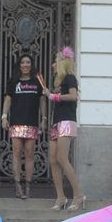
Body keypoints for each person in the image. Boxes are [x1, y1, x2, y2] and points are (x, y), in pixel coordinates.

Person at [37, 46, 85, 211]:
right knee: (53, 159)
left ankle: (78, 195)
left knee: (62, 158)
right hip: (57, 122)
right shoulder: (60, 82)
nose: (53, 65)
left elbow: (73, 96)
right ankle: (61, 197)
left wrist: (54, 96)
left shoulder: (70, 78)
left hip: (67, 121)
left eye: (55, 61)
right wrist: (49, 93)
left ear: (63, 62)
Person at [0, 53, 46, 199]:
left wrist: (44, 119)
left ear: (31, 65)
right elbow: (8, 99)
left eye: (28, 62)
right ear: (19, 65)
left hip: (32, 122)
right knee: (17, 153)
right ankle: (18, 186)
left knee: (29, 154)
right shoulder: (13, 81)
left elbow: (42, 101)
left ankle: (28, 186)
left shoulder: (37, 81)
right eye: (23, 62)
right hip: (16, 122)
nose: (25, 65)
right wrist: (4, 117)